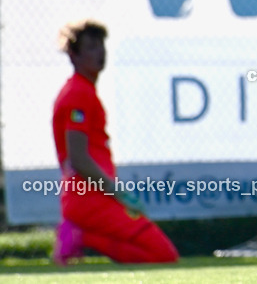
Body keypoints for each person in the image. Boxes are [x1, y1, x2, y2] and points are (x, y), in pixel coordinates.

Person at [51, 19, 179, 264]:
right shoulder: (78, 93)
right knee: (163, 255)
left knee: (157, 254)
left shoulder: (83, 91)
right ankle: (81, 235)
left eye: (101, 46)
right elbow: (78, 158)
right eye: (91, 47)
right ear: (74, 55)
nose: (100, 53)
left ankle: (80, 235)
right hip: (89, 199)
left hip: (91, 197)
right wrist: (117, 192)